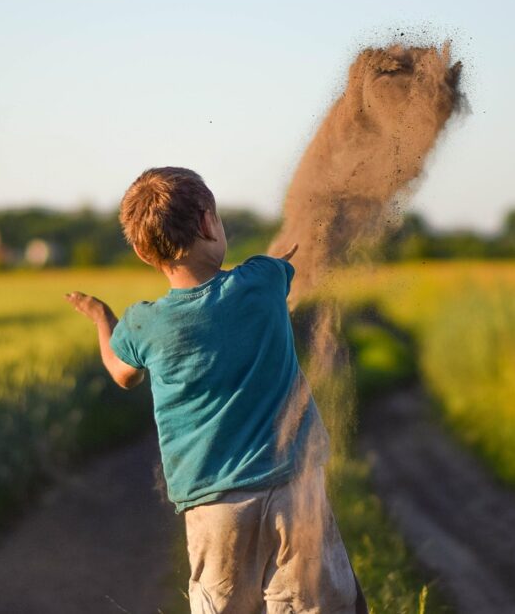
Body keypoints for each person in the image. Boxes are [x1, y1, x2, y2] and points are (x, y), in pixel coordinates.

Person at [65, 167, 366, 613]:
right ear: (208, 222)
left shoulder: (143, 325)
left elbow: (122, 373)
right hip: (293, 488)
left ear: (144, 254)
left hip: (213, 505)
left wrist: (102, 318)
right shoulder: (262, 279)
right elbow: (282, 264)